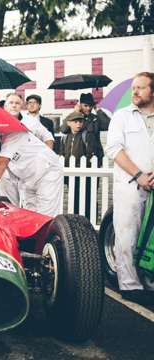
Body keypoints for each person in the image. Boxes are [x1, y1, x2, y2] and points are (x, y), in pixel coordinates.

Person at [105, 72, 154, 305]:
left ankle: (150, 282)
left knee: (150, 238)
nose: (134, 92)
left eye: (141, 88)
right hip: (131, 184)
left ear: (153, 92)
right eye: (133, 87)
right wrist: (139, 175)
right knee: (127, 235)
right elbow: (114, 150)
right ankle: (129, 285)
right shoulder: (122, 116)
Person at [0, 130, 64, 217]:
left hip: (48, 172)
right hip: (28, 179)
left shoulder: (12, 135)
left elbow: (1, 163)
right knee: (31, 216)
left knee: (45, 216)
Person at [60, 111, 95, 217]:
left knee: (86, 200)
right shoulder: (65, 137)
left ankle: (86, 221)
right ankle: (75, 221)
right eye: (75, 122)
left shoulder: (86, 136)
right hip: (70, 174)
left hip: (84, 175)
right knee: (73, 199)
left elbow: (90, 155)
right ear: (69, 123)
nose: (79, 124)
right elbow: (62, 154)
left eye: (80, 122)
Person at [62, 93, 110, 165]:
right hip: (77, 157)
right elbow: (63, 129)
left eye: (90, 106)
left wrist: (98, 110)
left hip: (94, 157)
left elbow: (108, 125)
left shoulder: (95, 119)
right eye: (85, 106)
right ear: (80, 105)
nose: (88, 108)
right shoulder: (74, 118)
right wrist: (75, 112)